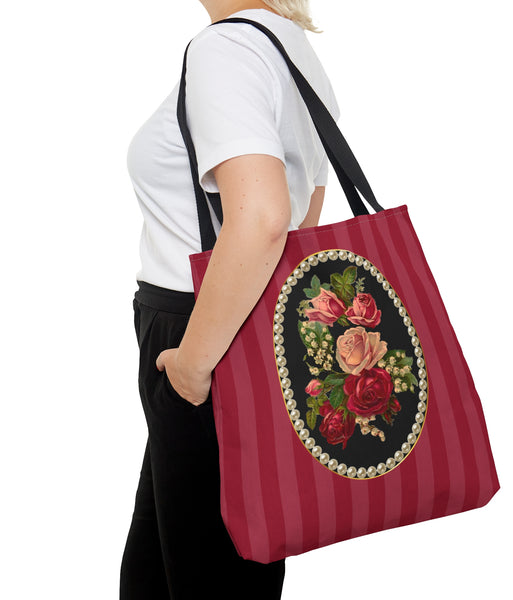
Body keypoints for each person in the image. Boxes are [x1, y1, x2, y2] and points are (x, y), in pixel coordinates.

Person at [119, 0, 340, 598]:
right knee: (180, 570)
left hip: (202, 336)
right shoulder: (290, 47)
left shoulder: (226, 50)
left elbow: (267, 219)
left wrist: (191, 367)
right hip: (246, 323)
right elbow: (303, 220)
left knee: (203, 577)